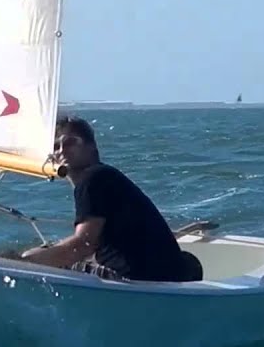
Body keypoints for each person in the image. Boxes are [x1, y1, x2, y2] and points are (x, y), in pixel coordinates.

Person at [19, 114, 200, 282]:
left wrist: (24, 261)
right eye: (55, 147)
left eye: (71, 142)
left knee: (57, 266)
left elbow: (84, 244)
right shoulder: (106, 175)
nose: (62, 151)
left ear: (92, 147)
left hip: (137, 280)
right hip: (168, 274)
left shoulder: (93, 179)